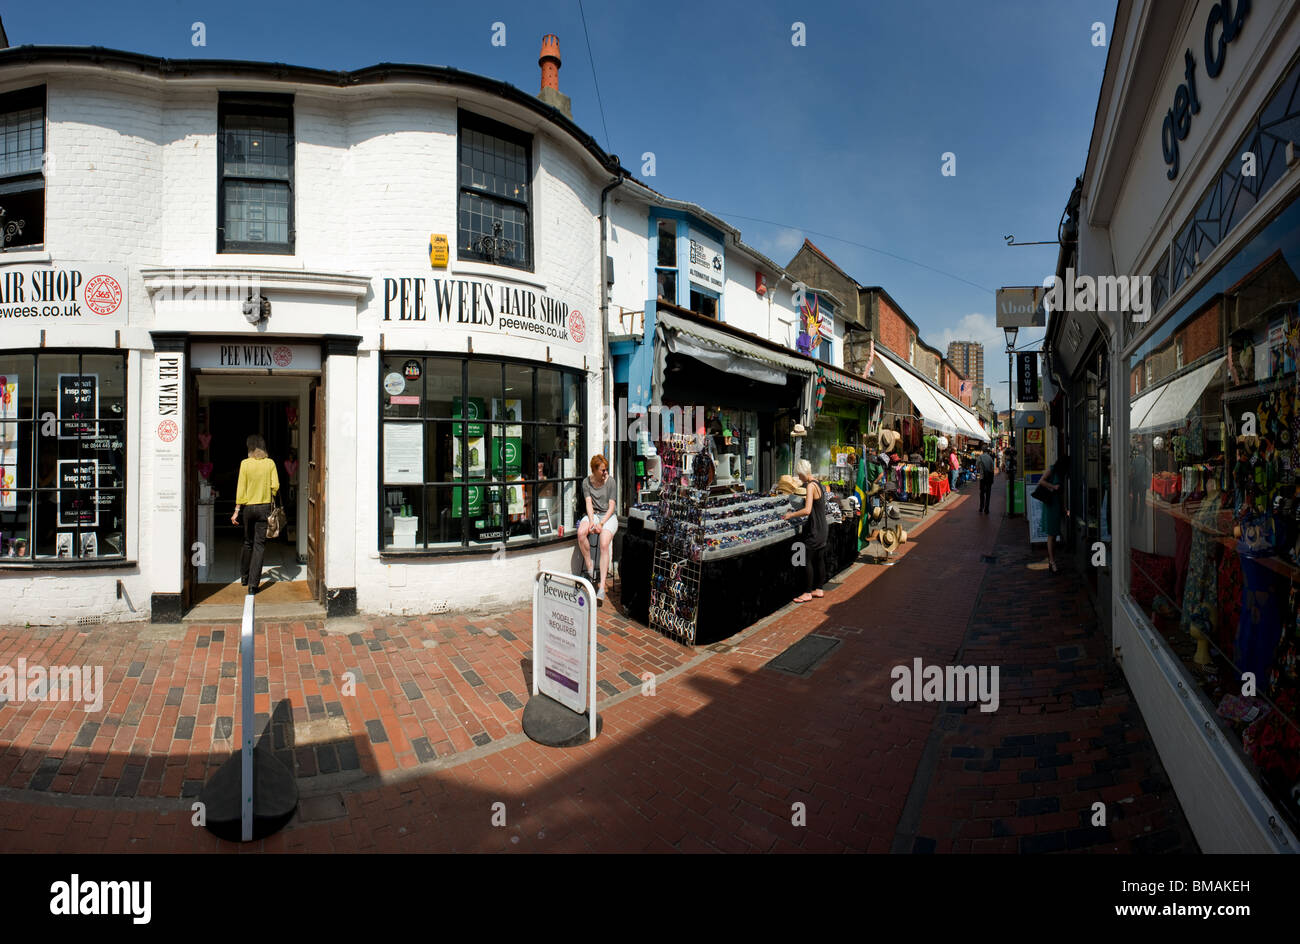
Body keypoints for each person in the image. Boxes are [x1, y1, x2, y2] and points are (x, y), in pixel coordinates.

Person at [231, 434, 280, 594]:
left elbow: (241, 488)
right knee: (259, 545)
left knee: (247, 542)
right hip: (264, 507)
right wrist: (267, 491)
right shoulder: (270, 463)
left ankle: (244, 577)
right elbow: (275, 486)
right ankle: (253, 585)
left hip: (248, 508)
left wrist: (237, 510)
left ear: (250, 448)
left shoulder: (245, 464)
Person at [783, 458, 829, 603]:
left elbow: (807, 510)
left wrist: (791, 514)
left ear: (803, 473)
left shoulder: (810, 486)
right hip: (823, 527)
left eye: (799, 475)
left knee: (806, 560)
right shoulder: (818, 483)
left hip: (815, 529)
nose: (799, 477)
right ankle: (819, 588)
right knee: (819, 559)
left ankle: (807, 592)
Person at [577, 454, 616, 603]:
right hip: (594, 514)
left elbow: (611, 507)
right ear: (594, 470)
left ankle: (601, 587)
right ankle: (590, 567)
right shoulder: (586, 482)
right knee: (581, 532)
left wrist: (601, 524)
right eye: (602, 470)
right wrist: (592, 521)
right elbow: (588, 503)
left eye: (606, 470)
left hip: (608, 516)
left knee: (604, 543)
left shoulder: (610, 482)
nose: (605, 472)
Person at [1036, 456, 1065, 573]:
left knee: (1054, 534)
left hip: (1057, 504)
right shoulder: (1052, 469)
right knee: (1051, 534)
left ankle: (1052, 560)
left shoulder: (1061, 473)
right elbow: (1041, 481)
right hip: (1050, 503)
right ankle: (1052, 561)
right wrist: (1053, 487)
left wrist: (1063, 507)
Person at [977, 447, 997, 514]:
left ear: (982, 451)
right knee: (988, 493)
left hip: (982, 477)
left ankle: (981, 507)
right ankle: (986, 508)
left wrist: (980, 470)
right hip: (989, 478)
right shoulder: (990, 458)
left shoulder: (980, 457)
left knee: (982, 493)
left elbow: (977, 467)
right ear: (987, 451)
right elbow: (992, 468)